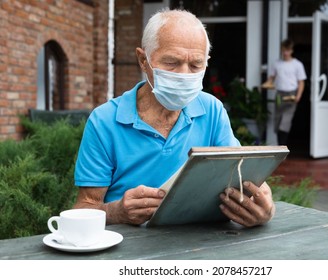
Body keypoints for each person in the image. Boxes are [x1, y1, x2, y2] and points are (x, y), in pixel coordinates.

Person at [73, 9, 275, 228]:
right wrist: (117, 212)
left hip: (200, 240)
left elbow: (243, 176)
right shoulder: (104, 121)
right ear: (143, 60)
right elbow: (83, 209)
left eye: (196, 65)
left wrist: (264, 209)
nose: (184, 74)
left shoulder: (212, 110)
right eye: (171, 62)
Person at [263, 39, 307, 145]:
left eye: (287, 50)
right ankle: (280, 146)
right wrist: (266, 84)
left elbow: (301, 82)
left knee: (285, 122)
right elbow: (271, 78)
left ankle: (283, 145)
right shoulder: (277, 64)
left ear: (291, 50)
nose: (285, 53)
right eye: (283, 50)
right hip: (279, 95)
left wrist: (299, 95)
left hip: (291, 95)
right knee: (278, 121)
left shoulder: (297, 64)